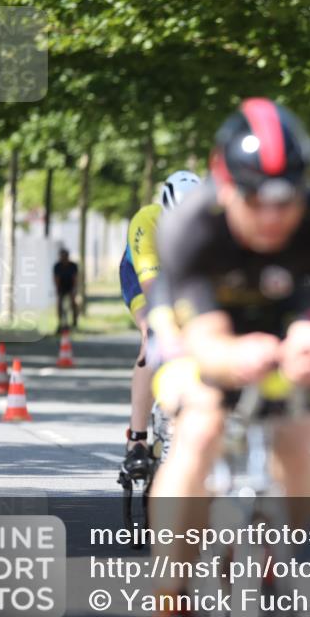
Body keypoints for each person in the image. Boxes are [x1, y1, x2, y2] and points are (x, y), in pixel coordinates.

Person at [149, 98, 310, 608]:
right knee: (200, 425)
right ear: (226, 187)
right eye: (255, 200)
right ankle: (171, 596)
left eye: (285, 202)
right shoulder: (189, 230)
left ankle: (270, 565)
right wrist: (233, 357)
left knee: (299, 430)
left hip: (280, 321)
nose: (271, 216)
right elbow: (205, 343)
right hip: (196, 326)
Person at [118, 170, 202, 479]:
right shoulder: (147, 219)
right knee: (152, 334)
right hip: (142, 278)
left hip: (185, 280)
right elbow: (152, 284)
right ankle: (137, 440)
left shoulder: (210, 221)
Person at [52, 249, 79, 333]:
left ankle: (74, 321)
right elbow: (56, 279)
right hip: (61, 287)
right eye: (62, 257)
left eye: (65, 256)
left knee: (74, 302)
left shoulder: (73, 266)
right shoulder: (57, 266)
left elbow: (75, 278)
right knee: (60, 303)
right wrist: (57, 291)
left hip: (70, 286)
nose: (63, 258)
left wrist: (74, 290)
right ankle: (60, 323)